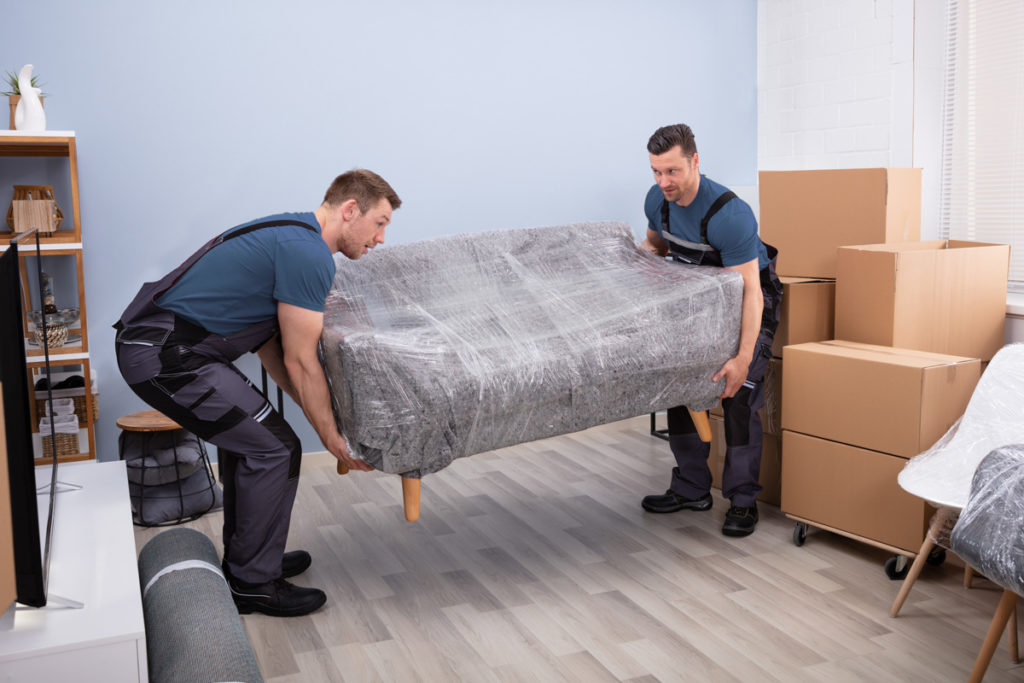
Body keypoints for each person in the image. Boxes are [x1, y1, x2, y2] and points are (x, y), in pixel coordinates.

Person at [114, 169, 400, 616]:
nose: (381, 237)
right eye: (380, 222)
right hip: (167, 355)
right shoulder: (310, 254)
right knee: (274, 449)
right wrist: (330, 437)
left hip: (176, 351)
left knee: (259, 441)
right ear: (350, 210)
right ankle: (252, 584)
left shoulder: (291, 235)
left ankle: (252, 561)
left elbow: (273, 350)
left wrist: (323, 417)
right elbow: (302, 362)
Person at [639, 124, 782, 537]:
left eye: (673, 172)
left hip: (747, 300)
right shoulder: (657, 201)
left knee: (737, 393)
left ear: (695, 161)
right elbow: (656, 248)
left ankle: (741, 500)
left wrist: (741, 359)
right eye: (656, 172)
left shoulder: (729, 214)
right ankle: (691, 488)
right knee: (682, 386)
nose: (664, 182)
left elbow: (751, 293)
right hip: (697, 301)